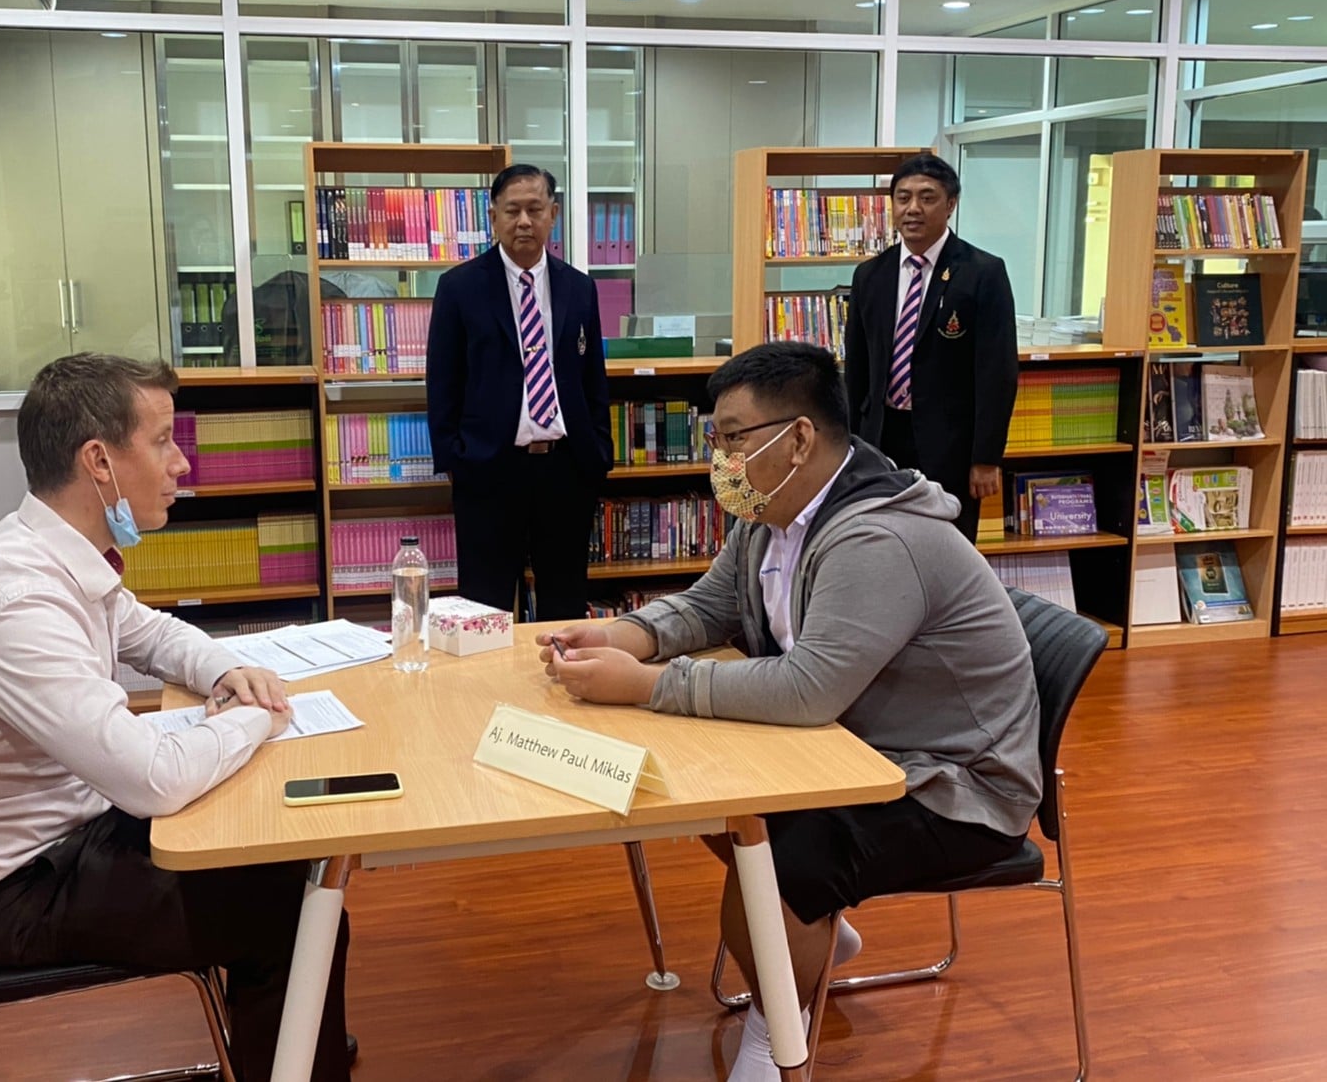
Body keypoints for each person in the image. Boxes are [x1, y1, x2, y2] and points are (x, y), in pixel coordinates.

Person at [535, 342, 1041, 1082]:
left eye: (733, 438)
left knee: (783, 851)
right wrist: (621, 636)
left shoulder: (878, 536)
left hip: (957, 786)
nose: (720, 460)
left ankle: (776, 1041)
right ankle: (815, 940)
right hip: (860, 749)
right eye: (716, 439)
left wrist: (644, 685)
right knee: (712, 792)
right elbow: (709, 606)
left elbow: (808, 690)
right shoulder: (773, 510)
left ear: (799, 438)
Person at [0, 353, 354, 1081]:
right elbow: (151, 780)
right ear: (99, 462)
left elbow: (150, 632)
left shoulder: (51, 551)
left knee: (273, 862)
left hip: (52, 842)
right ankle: (291, 1054)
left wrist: (224, 672)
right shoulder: (19, 604)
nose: (182, 463)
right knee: (295, 909)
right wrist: (258, 716)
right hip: (5, 896)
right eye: (163, 440)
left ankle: (289, 1047)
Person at [426, 163, 613, 620]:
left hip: (566, 468)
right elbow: (442, 382)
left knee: (564, 604)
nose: (524, 221)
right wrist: (455, 459)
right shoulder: (459, 288)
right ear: (494, 217)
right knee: (484, 608)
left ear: (553, 214)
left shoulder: (579, 287)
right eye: (512, 211)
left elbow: (593, 376)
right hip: (489, 469)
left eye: (535, 209)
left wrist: (598, 450)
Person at [842, 153, 1019, 542]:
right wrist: (850, 447)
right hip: (880, 439)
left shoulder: (982, 272)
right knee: (879, 543)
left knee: (947, 548)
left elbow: (997, 373)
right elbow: (857, 369)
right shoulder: (870, 274)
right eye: (903, 198)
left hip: (951, 446)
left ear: (950, 204)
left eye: (927, 197)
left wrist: (986, 458)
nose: (913, 209)